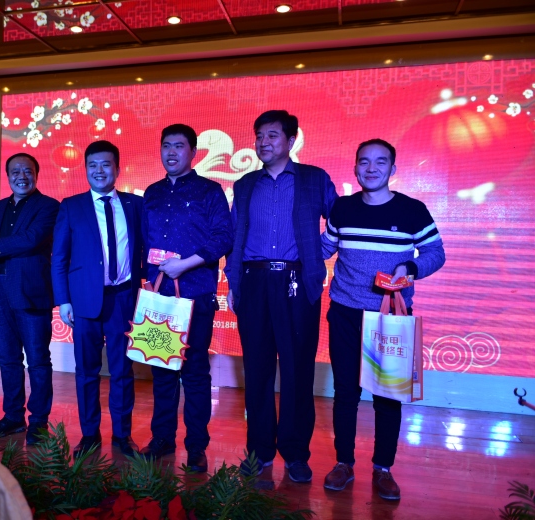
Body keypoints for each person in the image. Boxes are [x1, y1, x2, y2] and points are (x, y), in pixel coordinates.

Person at [321, 138, 445, 500]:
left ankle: (383, 468)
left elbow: (436, 252)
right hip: (345, 312)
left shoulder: (412, 210)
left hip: (391, 315)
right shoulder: (343, 208)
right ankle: (344, 463)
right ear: (355, 168)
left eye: (380, 162)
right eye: (364, 162)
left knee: (388, 395)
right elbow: (326, 247)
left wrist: (410, 267)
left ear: (393, 169)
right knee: (345, 391)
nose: (371, 168)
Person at [224, 110, 338, 481]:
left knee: (297, 370)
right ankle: (259, 453)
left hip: (296, 282)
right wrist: (233, 282)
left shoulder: (314, 179)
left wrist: (315, 253)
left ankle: (295, 453)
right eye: (259, 136)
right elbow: (234, 237)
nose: (263, 142)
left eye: (272, 135)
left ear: (291, 141)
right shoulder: (245, 184)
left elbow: (340, 221)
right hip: (253, 281)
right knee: (256, 370)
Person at [139, 124, 233, 473]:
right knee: (162, 371)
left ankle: (196, 447)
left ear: (193, 152)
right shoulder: (151, 192)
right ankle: (162, 439)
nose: (171, 152)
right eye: (166, 145)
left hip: (195, 295)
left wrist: (185, 264)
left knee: (194, 374)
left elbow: (223, 238)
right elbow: (142, 242)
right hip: (159, 296)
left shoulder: (210, 191)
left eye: (179, 146)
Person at [51, 140, 144, 457]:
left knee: (122, 371)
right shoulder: (71, 206)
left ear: (118, 168)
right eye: (92, 165)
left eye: (105, 164)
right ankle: (89, 434)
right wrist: (63, 300)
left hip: (123, 299)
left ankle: (122, 436)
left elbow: (144, 250)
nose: (99, 170)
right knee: (87, 372)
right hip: (84, 300)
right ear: (86, 169)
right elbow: (59, 258)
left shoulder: (135, 205)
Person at [0, 153, 59, 445]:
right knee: (7, 358)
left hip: (31, 292)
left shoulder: (49, 206)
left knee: (38, 360)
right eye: (15, 171)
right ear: (7, 177)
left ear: (36, 174)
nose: (21, 176)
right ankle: (13, 416)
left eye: (27, 171)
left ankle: (39, 421)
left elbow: (30, 240)